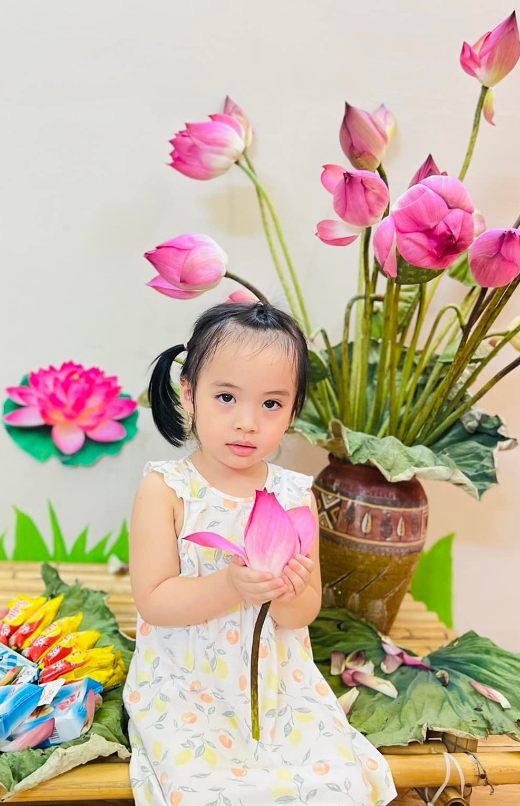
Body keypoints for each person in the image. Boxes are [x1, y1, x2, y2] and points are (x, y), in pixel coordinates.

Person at [123, 302, 397, 806]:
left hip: (278, 685)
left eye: (271, 404)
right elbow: (155, 601)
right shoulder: (167, 490)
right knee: (211, 792)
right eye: (226, 397)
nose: (247, 422)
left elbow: (301, 613)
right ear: (189, 394)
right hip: (187, 686)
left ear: (293, 412)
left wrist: (288, 590)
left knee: (337, 784)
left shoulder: (294, 496)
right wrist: (230, 585)